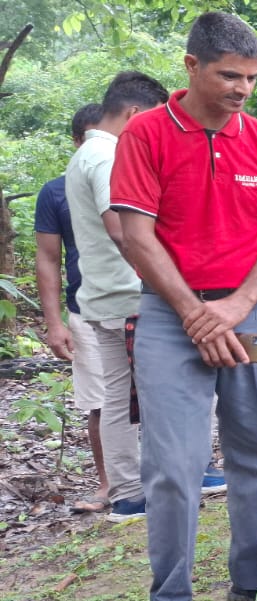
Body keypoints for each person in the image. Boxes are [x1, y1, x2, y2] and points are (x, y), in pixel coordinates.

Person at [112, 12, 257, 601]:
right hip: (170, 320)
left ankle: (254, 579)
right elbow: (136, 234)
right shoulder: (145, 134)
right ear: (192, 66)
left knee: (255, 448)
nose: (242, 89)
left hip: (254, 317)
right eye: (229, 75)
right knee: (174, 466)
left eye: (251, 78)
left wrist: (239, 305)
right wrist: (195, 312)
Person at [64, 73, 169, 523]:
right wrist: (162, 282)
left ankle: (128, 493)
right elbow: (121, 229)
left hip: (101, 296)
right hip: (129, 296)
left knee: (116, 395)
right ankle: (166, 479)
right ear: (134, 114)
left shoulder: (83, 155)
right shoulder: (109, 156)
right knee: (159, 389)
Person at [35, 103, 107, 512]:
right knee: (100, 401)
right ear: (77, 142)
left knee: (161, 394)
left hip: (143, 303)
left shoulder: (134, 180)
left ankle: (177, 475)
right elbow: (48, 258)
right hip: (85, 309)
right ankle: (109, 484)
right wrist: (54, 323)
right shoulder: (56, 191)